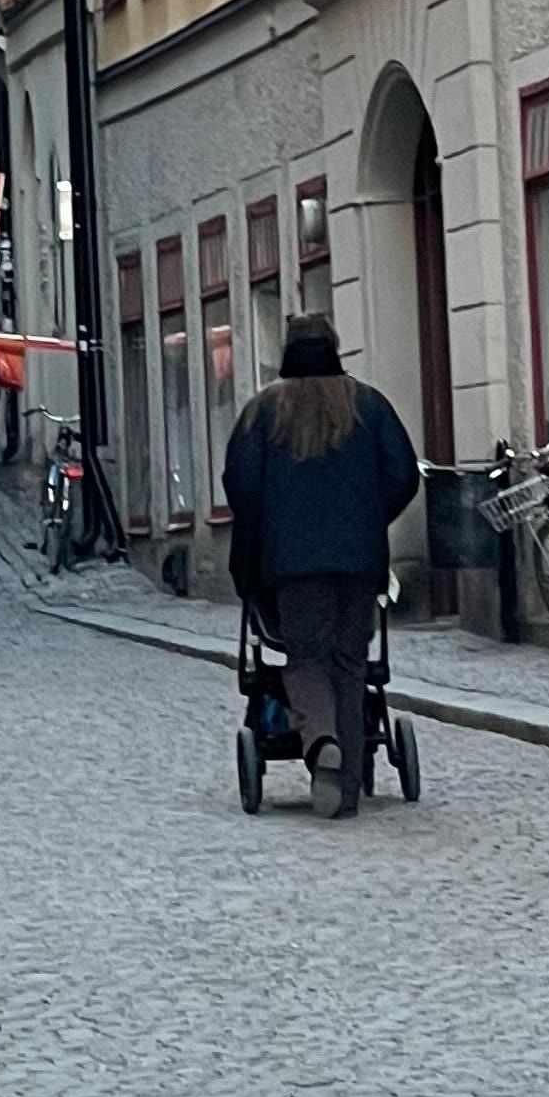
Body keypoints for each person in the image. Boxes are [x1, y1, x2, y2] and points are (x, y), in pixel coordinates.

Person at [222, 311, 421, 816]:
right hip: (359, 561)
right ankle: (347, 788)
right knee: (351, 664)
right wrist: (373, 518)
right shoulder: (368, 406)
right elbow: (403, 474)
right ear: (334, 347)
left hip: (293, 564)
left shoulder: (263, 412)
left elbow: (241, 486)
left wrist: (267, 530)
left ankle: (320, 744)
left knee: (306, 658)